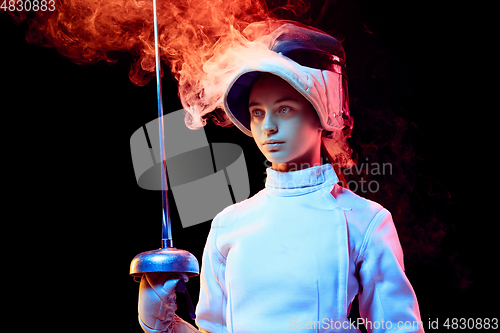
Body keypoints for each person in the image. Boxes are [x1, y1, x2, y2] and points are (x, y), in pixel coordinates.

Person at [137, 21, 424, 333]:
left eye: (284, 109)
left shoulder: (364, 221)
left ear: (322, 114)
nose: (268, 127)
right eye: (257, 112)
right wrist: (164, 324)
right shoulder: (229, 223)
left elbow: (398, 329)